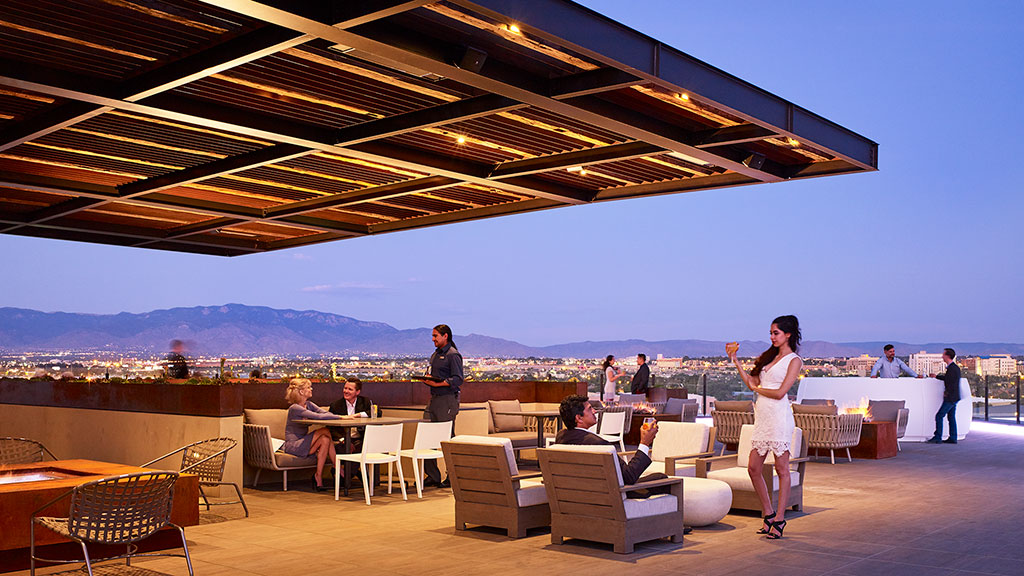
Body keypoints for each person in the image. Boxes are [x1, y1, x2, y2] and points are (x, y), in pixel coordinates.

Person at [727, 315, 803, 540]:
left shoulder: (794, 360)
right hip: (763, 416)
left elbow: (781, 393)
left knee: (782, 468)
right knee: (753, 468)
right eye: (770, 333)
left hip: (779, 416)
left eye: (775, 333)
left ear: (787, 334)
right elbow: (752, 382)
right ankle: (768, 513)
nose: (772, 337)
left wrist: (758, 391)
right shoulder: (768, 357)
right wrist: (736, 361)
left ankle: (780, 518)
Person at [421, 324, 462, 488]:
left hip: (447, 400)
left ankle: (453, 477)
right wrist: (428, 380)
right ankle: (432, 475)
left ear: (445, 336)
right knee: (426, 435)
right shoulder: (435, 355)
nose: (433, 339)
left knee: (447, 439)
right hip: (434, 399)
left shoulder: (453, 355)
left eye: (435, 336)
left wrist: (438, 384)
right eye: (432, 336)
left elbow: (458, 379)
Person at [282, 378, 338, 492]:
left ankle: (318, 476)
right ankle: (337, 467)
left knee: (325, 440)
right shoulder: (295, 408)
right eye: (308, 387)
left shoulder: (308, 404)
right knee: (325, 431)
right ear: (301, 392)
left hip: (304, 444)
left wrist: (336, 416)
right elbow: (319, 417)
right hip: (294, 446)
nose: (311, 389)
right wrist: (342, 417)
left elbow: (324, 413)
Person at [926, 348, 962, 444]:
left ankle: (938, 437)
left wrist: (947, 392)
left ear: (947, 356)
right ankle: (953, 437)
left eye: (943, 354)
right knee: (951, 417)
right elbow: (949, 379)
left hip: (950, 397)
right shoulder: (954, 368)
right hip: (954, 397)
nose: (942, 356)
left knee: (939, 416)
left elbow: (950, 381)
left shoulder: (952, 369)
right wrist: (937, 376)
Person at [329, 378, 373, 453]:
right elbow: (330, 428)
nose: (346, 391)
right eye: (345, 388)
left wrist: (358, 415)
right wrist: (343, 440)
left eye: (350, 389)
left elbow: (377, 412)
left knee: (370, 446)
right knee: (346, 448)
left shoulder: (365, 401)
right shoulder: (336, 405)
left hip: (361, 438)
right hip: (343, 439)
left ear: (357, 392)